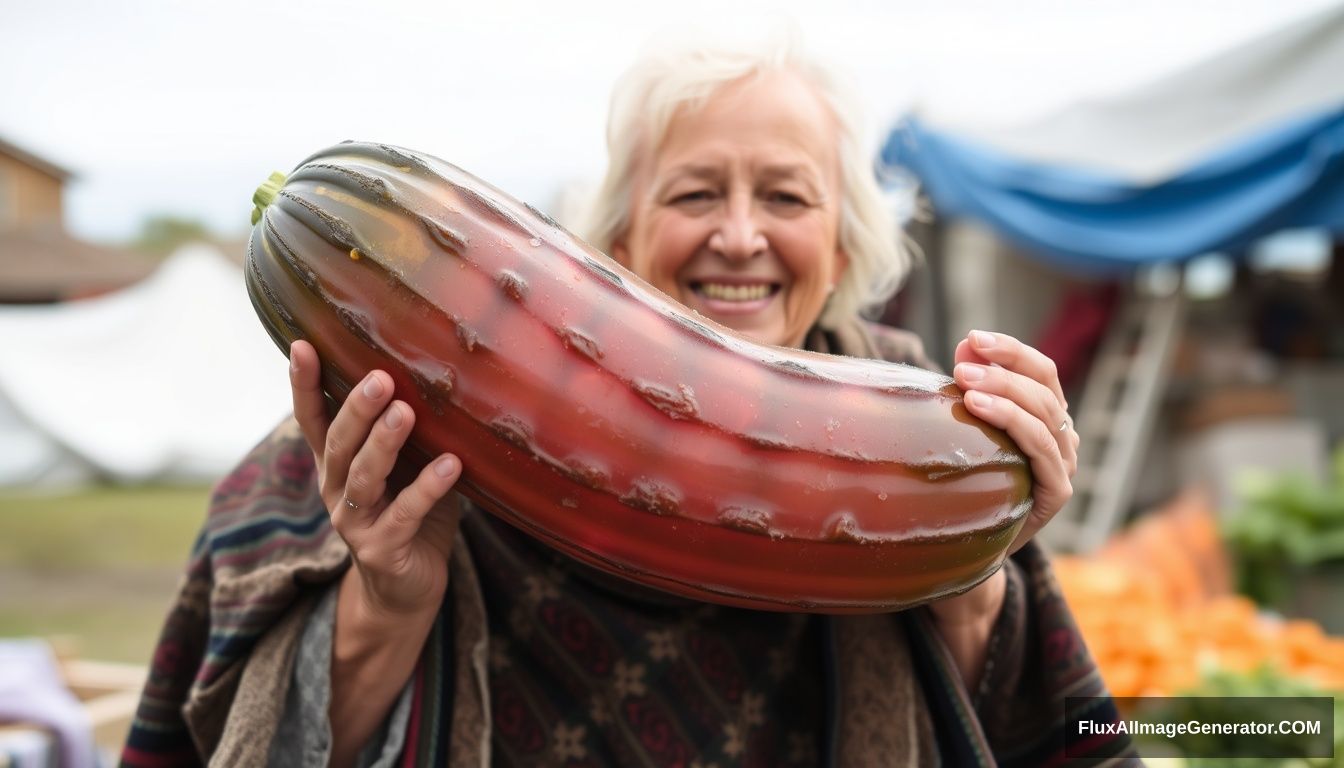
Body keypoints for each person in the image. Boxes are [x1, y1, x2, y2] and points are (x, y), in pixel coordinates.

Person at [123, 34, 1136, 768]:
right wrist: (385, 605)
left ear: (839, 250)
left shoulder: (944, 437)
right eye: (695, 194)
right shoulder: (368, 444)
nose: (738, 235)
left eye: (784, 197)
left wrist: (963, 586)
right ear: (607, 248)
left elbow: (1058, 733)